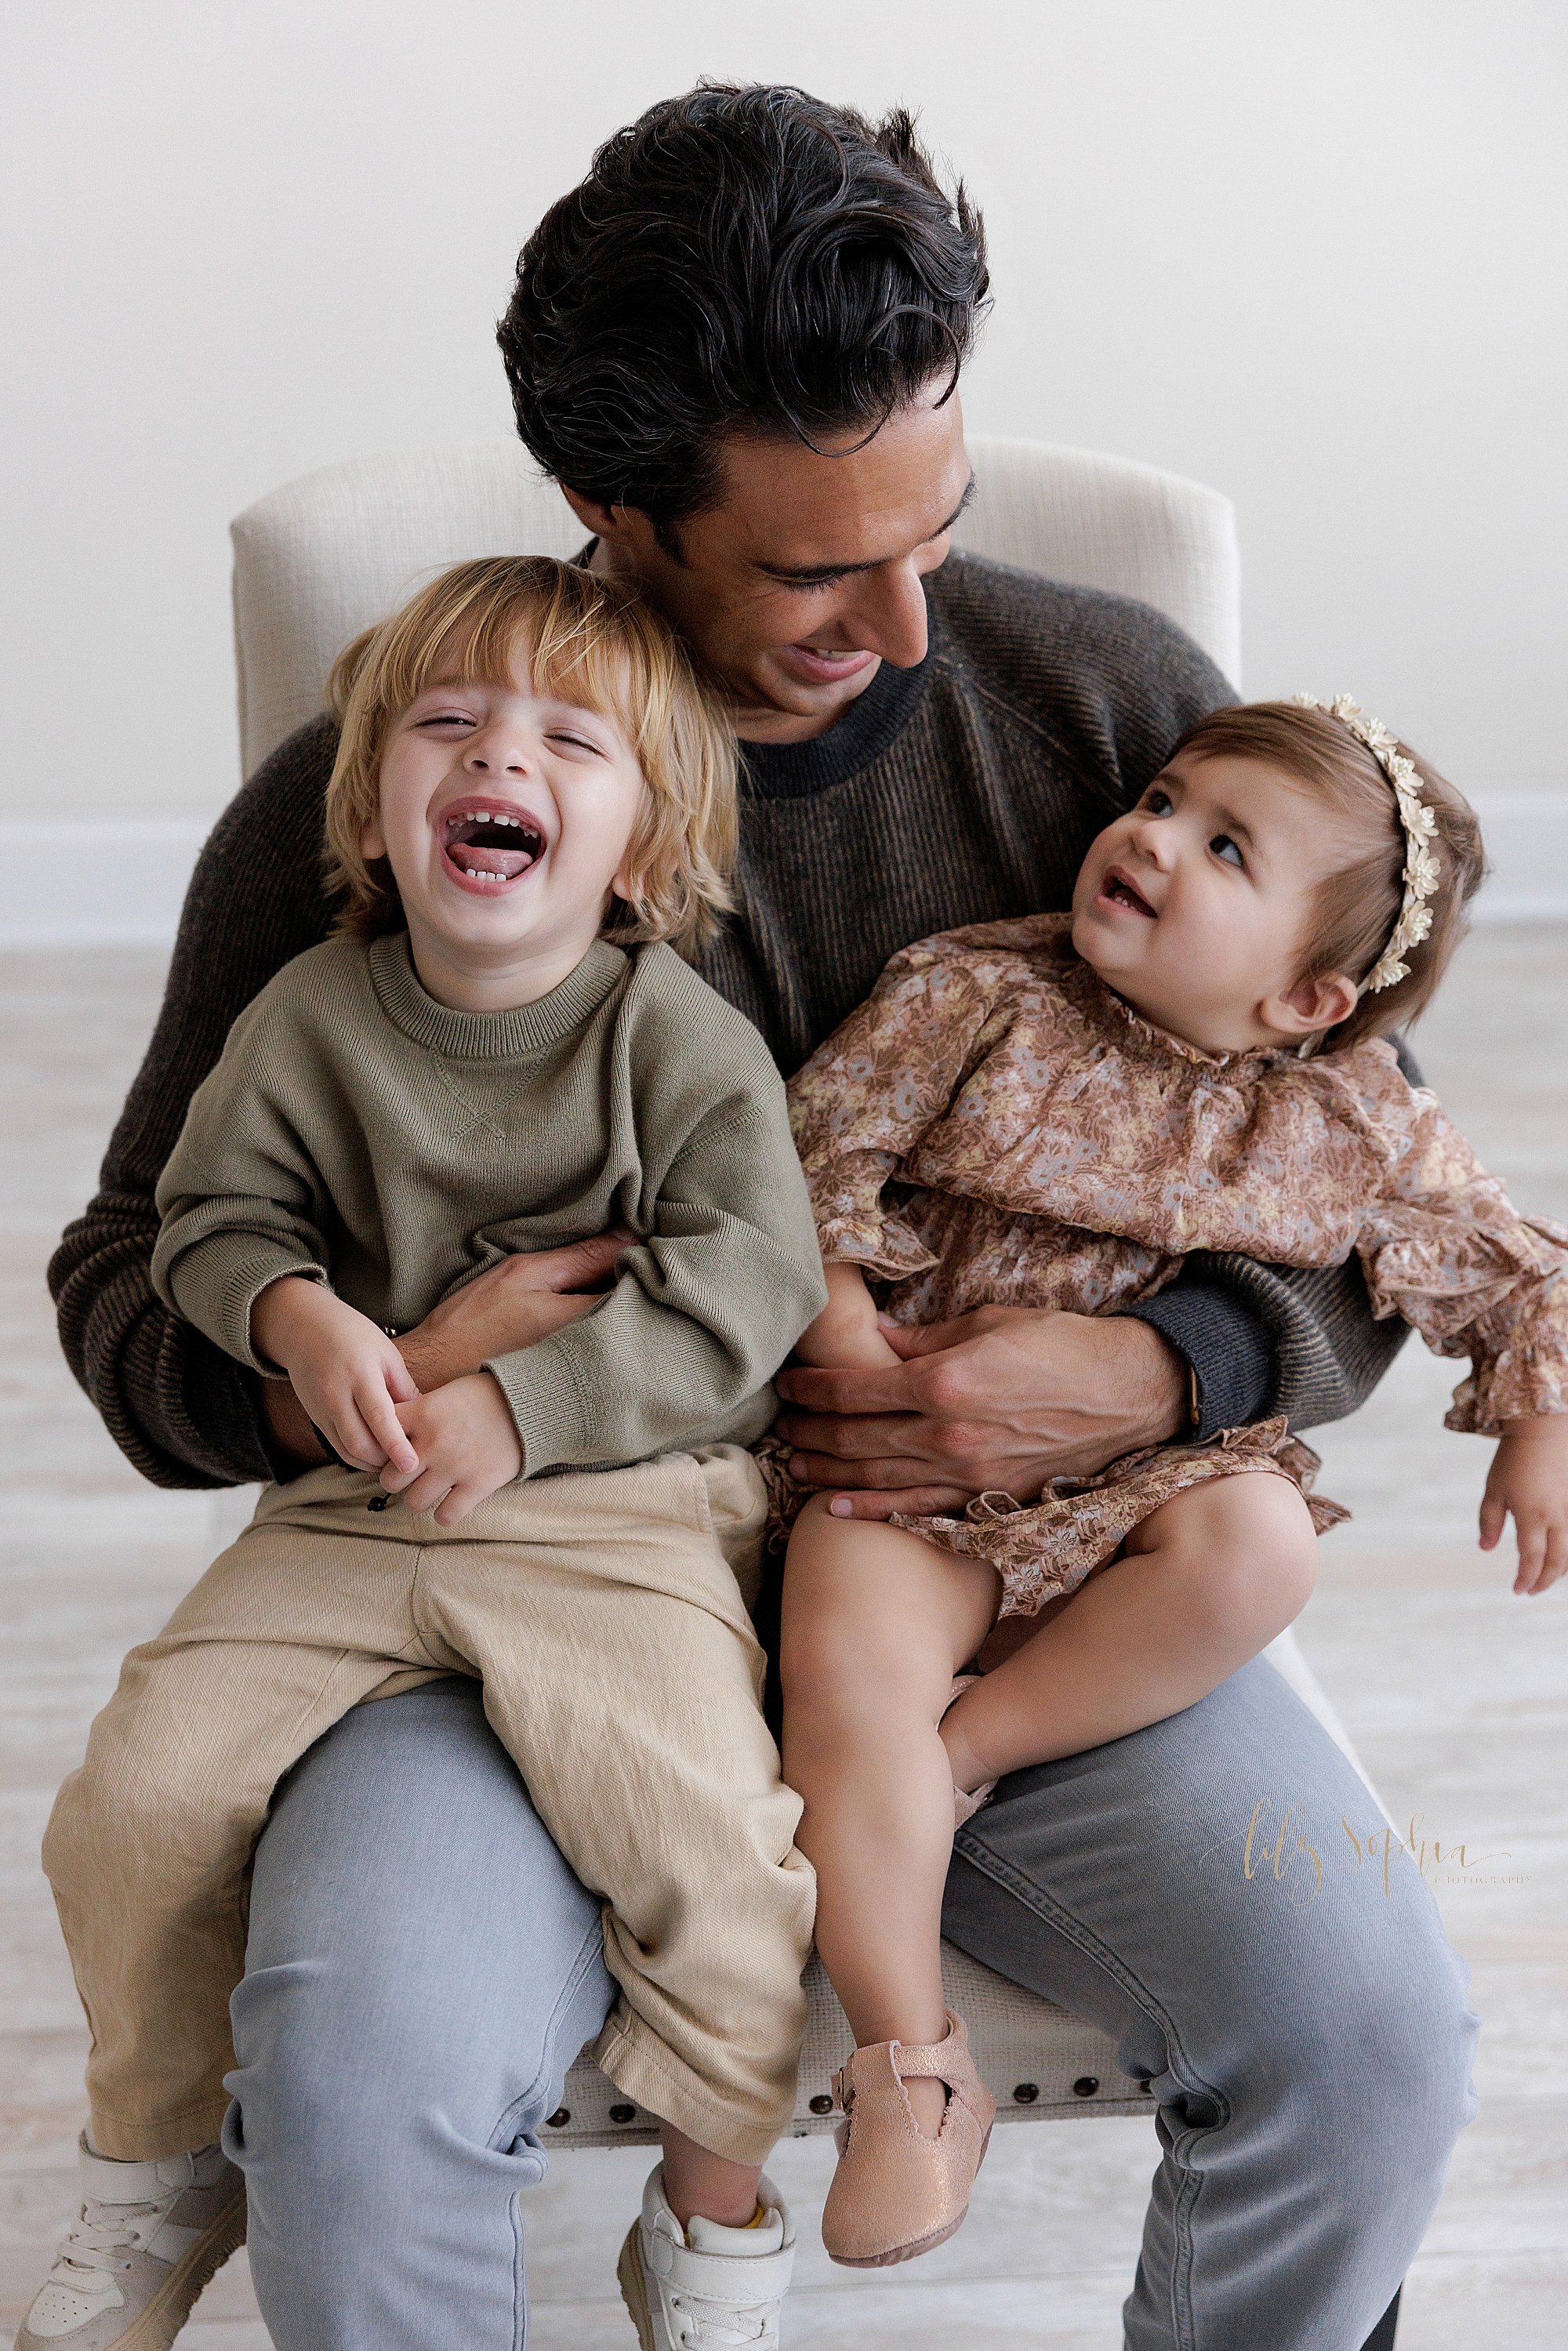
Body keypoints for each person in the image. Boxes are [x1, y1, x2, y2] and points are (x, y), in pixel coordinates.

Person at [45, 83, 1475, 2351]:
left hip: (1000, 1596)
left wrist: (1166, 1366)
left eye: (940, 527)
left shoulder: (1111, 720)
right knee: (352, 2072)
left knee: (1376, 2040)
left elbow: (1356, 1180)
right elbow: (131, 1293)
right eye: (821, 570)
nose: (909, 623)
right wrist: (391, 1369)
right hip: (524, 1597)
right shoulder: (405, 789)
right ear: (617, 517)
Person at [26, 556, 827, 2351]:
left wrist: (526, 1406)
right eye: (451, 726)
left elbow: (752, 1279)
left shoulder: (673, 1041)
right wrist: (299, 1318)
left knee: (712, 1852)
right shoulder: (306, 1012)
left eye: (569, 740)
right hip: (351, 1510)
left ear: (640, 844)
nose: (503, 759)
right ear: (383, 807)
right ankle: (157, 2157)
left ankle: (711, 2213)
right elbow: (204, 1217)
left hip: (617, 1516)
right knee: (130, 1807)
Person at [776, 694, 1567, 2267]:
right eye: (1159, 797)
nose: (1147, 836)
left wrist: (1540, 1415)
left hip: (1143, 1495)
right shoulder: (973, 998)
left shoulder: (1350, 1119)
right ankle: (911, 2066)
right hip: (913, 1467)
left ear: (1308, 996)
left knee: (1264, 1542)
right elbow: (808, 1160)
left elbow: (1507, 1266)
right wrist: (844, 1329)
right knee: (838, 1651)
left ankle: (963, 1755)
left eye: (1222, 847)